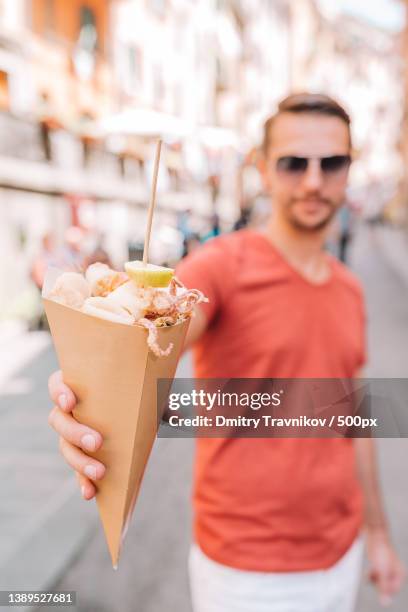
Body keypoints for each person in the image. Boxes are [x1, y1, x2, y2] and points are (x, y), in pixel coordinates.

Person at [47, 93, 405, 611]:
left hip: (341, 556)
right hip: (245, 574)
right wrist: (83, 391)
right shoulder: (220, 267)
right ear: (262, 168)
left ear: (349, 170)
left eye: (331, 163)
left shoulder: (350, 289)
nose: (312, 180)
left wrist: (376, 533)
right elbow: (141, 339)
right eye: (292, 163)